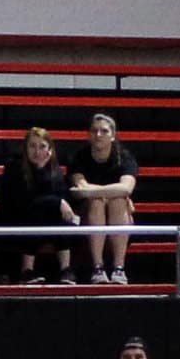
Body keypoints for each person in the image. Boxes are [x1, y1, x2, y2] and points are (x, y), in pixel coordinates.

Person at [0, 125, 80, 283]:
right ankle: (27, 270)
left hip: (44, 218)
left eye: (42, 146)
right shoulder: (14, 167)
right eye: (32, 146)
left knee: (59, 217)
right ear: (25, 148)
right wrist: (58, 202)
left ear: (50, 150)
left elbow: (60, 196)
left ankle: (66, 269)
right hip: (15, 217)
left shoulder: (53, 169)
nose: (37, 152)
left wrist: (43, 169)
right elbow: (23, 200)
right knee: (37, 213)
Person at [69, 114, 140, 285]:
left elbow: (126, 188)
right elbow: (80, 187)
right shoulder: (79, 156)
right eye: (94, 131)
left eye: (104, 131)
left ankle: (118, 268)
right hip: (87, 213)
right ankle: (97, 268)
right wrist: (108, 193)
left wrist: (95, 192)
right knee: (98, 203)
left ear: (113, 136)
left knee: (118, 202)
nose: (98, 134)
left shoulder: (124, 157)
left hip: (118, 212)